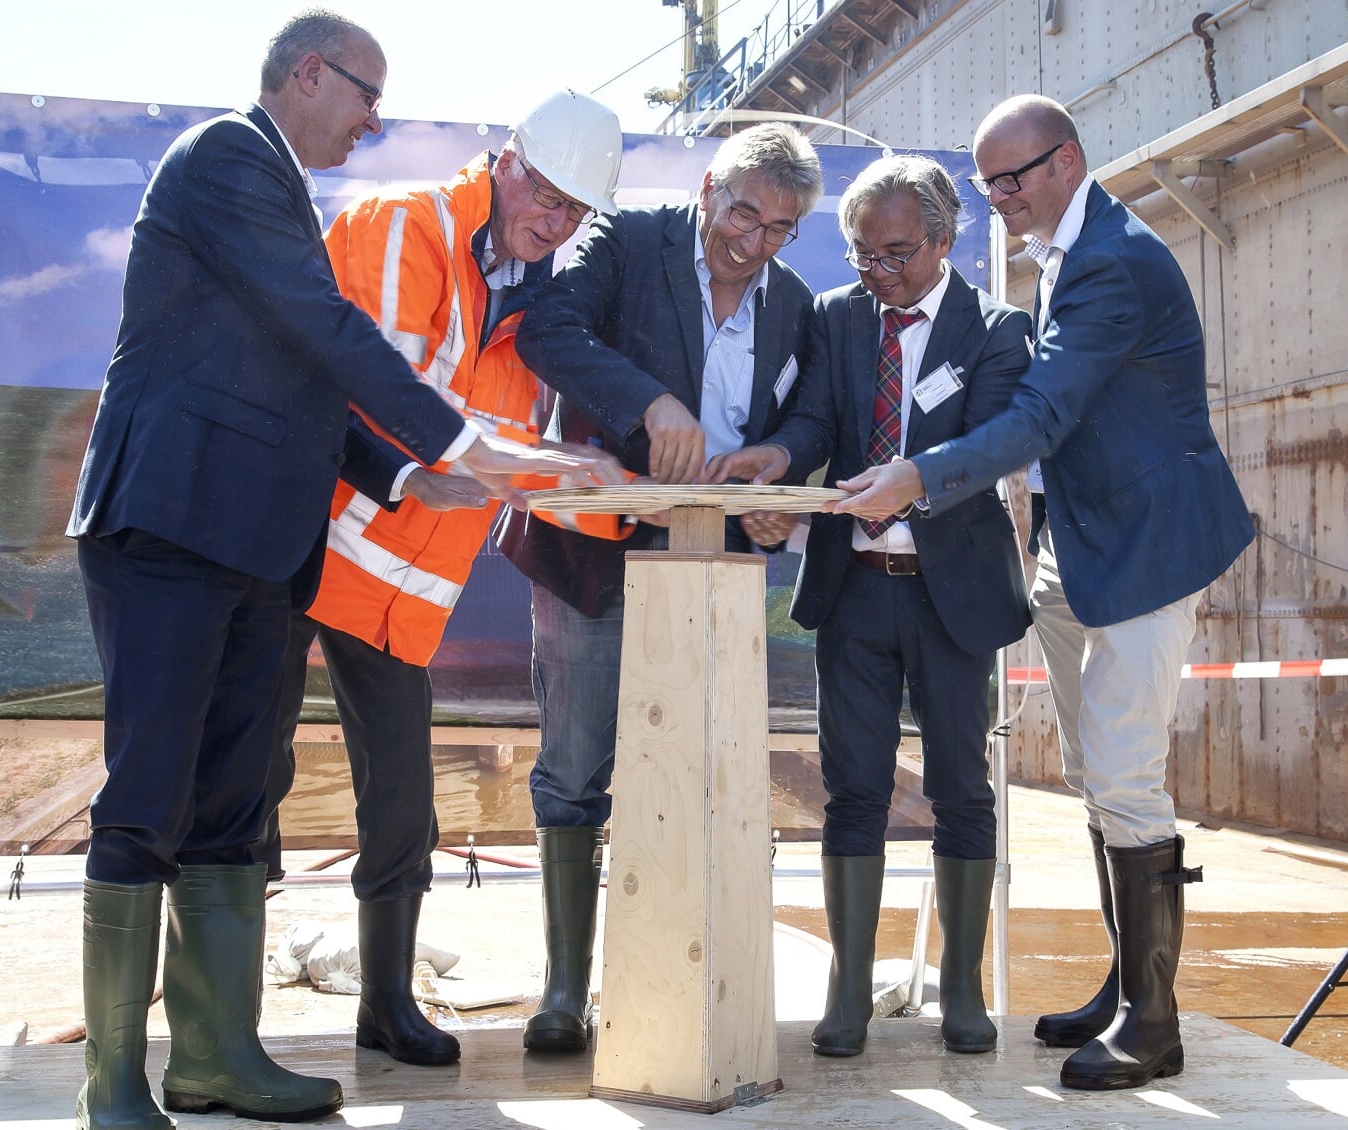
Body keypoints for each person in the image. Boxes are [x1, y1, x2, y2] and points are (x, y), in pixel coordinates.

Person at [63, 12, 588, 1126]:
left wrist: (404, 480)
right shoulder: (225, 159)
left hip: (261, 546)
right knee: (145, 799)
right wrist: (457, 442)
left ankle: (215, 1056)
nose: (374, 121)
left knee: (229, 803)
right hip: (169, 526)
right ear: (309, 73)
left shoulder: (288, 197)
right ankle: (109, 1080)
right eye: (366, 96)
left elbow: (305, 375)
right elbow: (328, 328)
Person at [832, 95, 1255, 1090]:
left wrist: (918, 475)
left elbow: (1045, 412)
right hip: (1082, 544)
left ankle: (1157, 1022)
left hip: (1146, 545)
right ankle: (1124, 986)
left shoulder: (1111, 258)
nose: (1002, 200)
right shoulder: (1069, 247)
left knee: (1126, 774)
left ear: (1067, 160)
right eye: (991, 187)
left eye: (1014, 178)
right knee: (1091, 770)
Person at [255, 89, 629, 1070]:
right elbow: (399, 398)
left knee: (401, 805)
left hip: (394, 594)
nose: (552, 218)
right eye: (543, 189)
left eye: (573, 209)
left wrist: (622, 493)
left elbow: (496, 450)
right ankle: (219, 1023)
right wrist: (552, 463)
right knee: (243, 780)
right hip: (293, 551)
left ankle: (384, 1006)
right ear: (506, 158)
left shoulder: (528, 303)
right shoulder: (404, 223)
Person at [498, 122, 823, 1054]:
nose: (752, 241)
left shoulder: (794, 301)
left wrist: (781, 462)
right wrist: (650, 400)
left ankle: (678, 984)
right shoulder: (626, 241)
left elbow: (809, 414)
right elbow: (546, 332)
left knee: (701, 776)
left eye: (778, 228)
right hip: (591, 553)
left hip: (713, 570)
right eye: (742, 212)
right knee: (575, 768)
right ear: (709, 185)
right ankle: (565, 992)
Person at [708, 155, 1032, 1057]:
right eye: (861, 257)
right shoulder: (836, 318)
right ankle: (849, 993)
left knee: (963, 791)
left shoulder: (998, 330)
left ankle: (961, 993)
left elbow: (992, 444)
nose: (877, 274)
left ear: (942, 240)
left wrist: (912, 488)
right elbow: (814, 420)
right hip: (854, 595)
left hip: (953, 598)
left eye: (895, 256)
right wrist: (780, 465)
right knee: (852, 792)